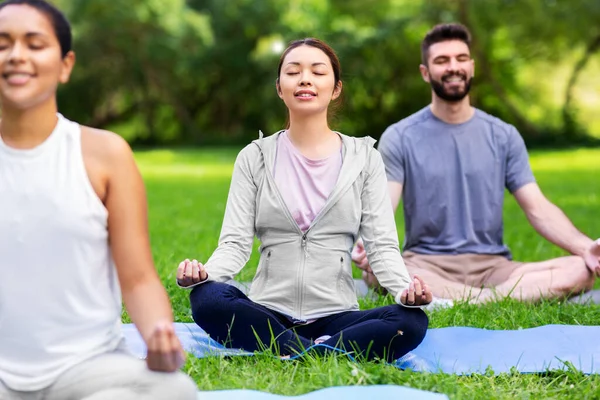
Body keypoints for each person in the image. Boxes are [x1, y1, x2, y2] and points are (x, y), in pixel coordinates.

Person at [176, 38, 431, 362]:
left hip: (337, 314)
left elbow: (381, 246)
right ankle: (314, 350)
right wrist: (204, 275)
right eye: (293, 72)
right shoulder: (254, 158)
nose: (305, 79)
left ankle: (289, 348)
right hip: (267, 311)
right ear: (280, 88)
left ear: (335, 88)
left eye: (317, 72)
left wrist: (404, 291)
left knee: (410, 322)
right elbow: (235, 244)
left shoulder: (365, 158)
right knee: (207, 300)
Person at [0, 1, 197, 399]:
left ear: (65, 64)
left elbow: (138, 277)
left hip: (87, 368)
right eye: (2, 44)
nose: (16, 55)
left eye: (34, 44)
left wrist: (159, 333)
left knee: (173, 391)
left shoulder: (105, 154)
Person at [352, 23, 600, 303]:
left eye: (460, 59)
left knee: (580, 270)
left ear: (471, 66)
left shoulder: (503, 135)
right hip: (425, 264)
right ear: (425, 72)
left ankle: (467, 299)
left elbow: (538, 208)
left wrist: (585, 247)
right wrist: (367, 240)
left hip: (493, 267)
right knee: (377, 271)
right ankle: (499, 299)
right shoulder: (400, 136)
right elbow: (383, 205)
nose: (452, 67)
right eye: (441, 60)